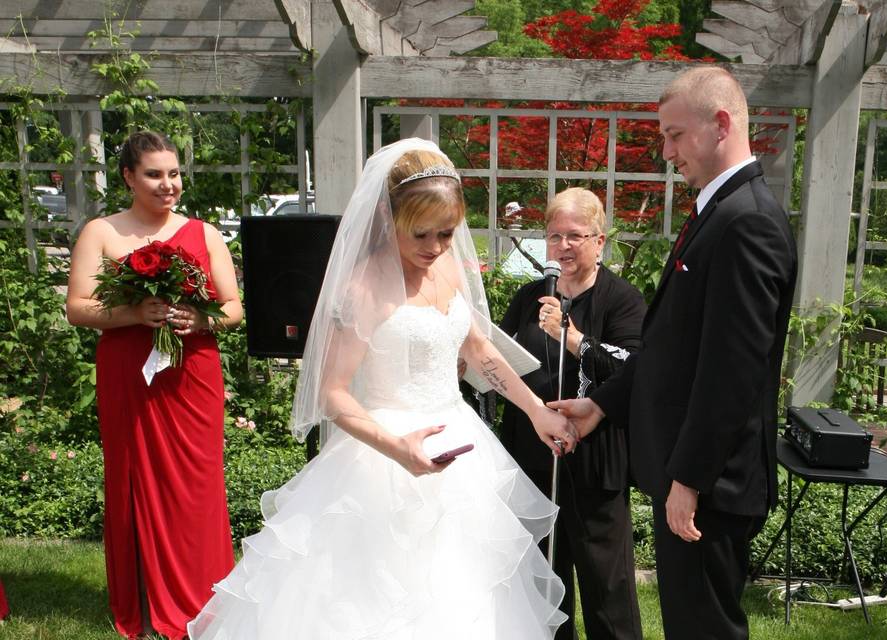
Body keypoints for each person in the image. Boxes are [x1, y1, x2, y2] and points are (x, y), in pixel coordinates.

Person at [187, 138, 577, 639]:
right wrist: (396, 447)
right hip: (382, 457)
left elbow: (479, 348)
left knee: (462, 591)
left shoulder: (449, 270)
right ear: (387, 216)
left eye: (446, 233)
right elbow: (333, 393)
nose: (435, 247)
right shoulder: (363, 288)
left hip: (459, 449)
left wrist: (536, 410)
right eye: (420, 233)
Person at [551, 66, 798, 639]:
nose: (665, 151)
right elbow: (671, 347)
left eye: (675, 134)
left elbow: (732, 373)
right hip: (690, 476)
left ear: (720, 124)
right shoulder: (718, 211)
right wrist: (604, 404)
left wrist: (689, 479)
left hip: (708, 484)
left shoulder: (748, 222)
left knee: (704, 629)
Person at [66, 131, 243, 640]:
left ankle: (203, 598)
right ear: (128, 176)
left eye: (173, 174)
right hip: (128, 373)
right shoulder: (101, 232)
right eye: (154, 174)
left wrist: (199, 319)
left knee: (197, 485)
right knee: (135, 478)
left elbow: (234, 308)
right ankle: (144, 604)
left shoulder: (204, 233)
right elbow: (78, 308)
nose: (168, 185)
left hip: (192, 375)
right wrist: (133, 312)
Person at [499, 187, 646, 640]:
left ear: (599, 241)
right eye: (554, 235)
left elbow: (633, 368)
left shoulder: (622, 299)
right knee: (542, 583)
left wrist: (571, 335)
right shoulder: (530, 297)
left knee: (607, 586)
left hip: (594, 460)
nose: (562, 246)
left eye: (575, 236)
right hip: (533, 456)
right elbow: (501, 358)